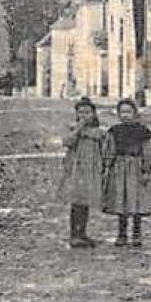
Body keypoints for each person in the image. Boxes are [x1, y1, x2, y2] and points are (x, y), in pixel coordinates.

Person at [102, 98, 151, 248]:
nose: (125, 115)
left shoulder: (142, 132)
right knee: (121, 200)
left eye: (128, 112)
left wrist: (146, 170)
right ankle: (122, 233)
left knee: (136, 200)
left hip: (135, 168)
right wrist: (107, 167)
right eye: (122, 112)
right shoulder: (114, 131)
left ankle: (137, 233)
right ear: (118, 114)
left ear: (135, 113)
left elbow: (147, 152)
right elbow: (109, 150)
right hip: (119, 169)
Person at [57, 98, 107, 249]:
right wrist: (78, 129)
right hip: (76, 170)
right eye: (81, 112)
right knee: (77, 201)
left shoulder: (98, 133)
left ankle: (82, 233)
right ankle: (74, 235)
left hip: (91, 169)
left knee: (86, 202)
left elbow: (104, 149)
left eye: (87, 112)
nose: (84, 115)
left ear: (94, 114)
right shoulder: (73, 129)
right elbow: (67, 142)